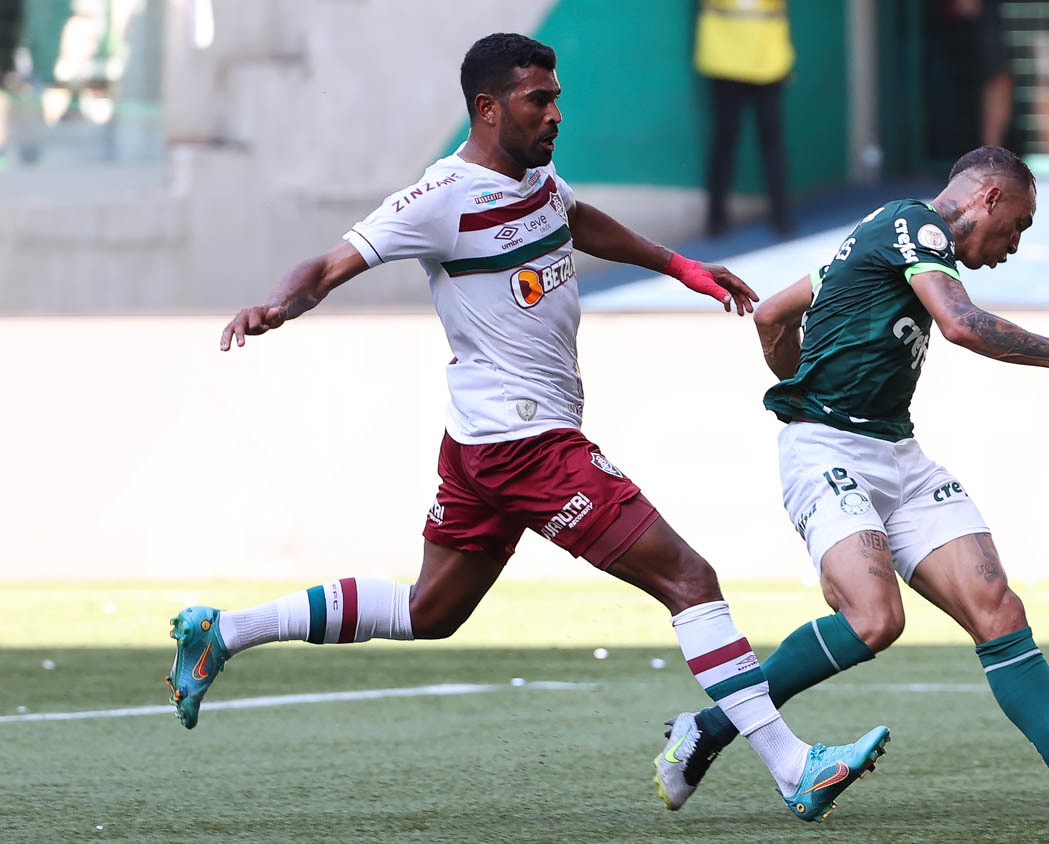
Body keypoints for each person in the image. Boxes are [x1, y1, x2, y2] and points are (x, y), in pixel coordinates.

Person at [167, 32, 888, 824]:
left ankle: (224, 632)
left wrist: (681, 267)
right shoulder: (439, 198)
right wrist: (277, 305)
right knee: (689, 580)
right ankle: (792, 767)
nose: (555, 115)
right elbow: (332, 263)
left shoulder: (536, 175)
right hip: (526, 445)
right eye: (537, 101)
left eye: (556, 100)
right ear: (487, 108)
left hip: (480, 443)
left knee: (428, 611)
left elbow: (579, 219)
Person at [652, 146, 1049, 823]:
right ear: (987, 197)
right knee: (875, 619)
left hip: (897, 452)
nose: (1016, 244)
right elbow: (958, 324)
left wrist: (798, 375)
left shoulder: (880, 234)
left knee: (998, 608)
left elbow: (772, 313)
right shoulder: (915, 224)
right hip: (826, 452)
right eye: (1018, 223)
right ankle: (713, 727)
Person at [695, 0, 794, 236]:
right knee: (724, 139)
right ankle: (716, 219)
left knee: (771, 141)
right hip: (724, 57)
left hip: (768, 58)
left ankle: (782, 216)